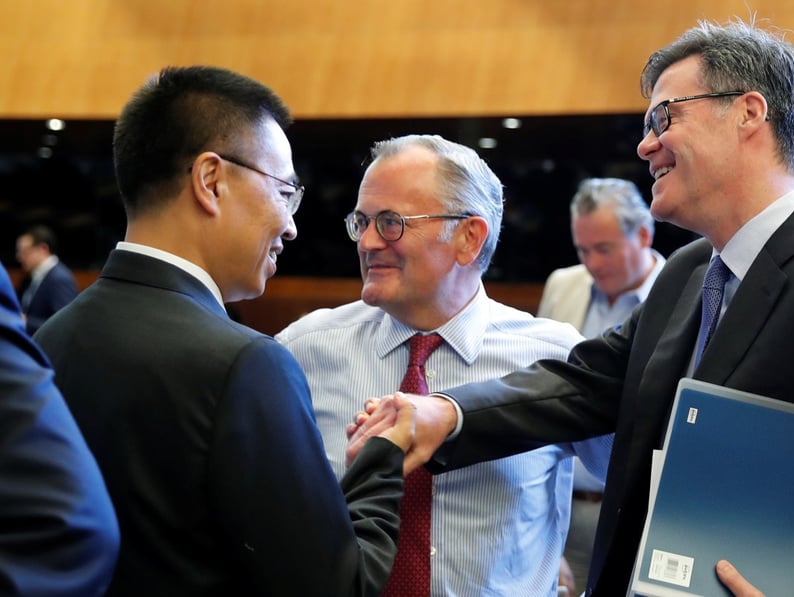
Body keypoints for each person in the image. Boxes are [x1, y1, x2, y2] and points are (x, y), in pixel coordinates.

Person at [350, 18, 794, 597]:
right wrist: (450, 414)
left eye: (664, 119)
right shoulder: (690, 271)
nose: (645, 146)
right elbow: (588, 385)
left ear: (748, 113)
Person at [33, 65, 415, 597]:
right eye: (284, 192)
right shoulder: (244, 363)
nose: (291, 224)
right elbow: (337, 586)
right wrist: (382, 457)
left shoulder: (47, 342)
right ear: (210, 180)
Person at [277, 134, 608, 597]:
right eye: (362, 221)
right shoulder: (302, 351)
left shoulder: (552, 358)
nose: (368, 242)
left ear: (469, 238)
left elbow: (635, 478)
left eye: (391, 223)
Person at [536, 177, 665, 590]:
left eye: (604, 248)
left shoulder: (683, 294)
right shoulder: (562, 285)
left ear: (643, 234)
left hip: (637, 513)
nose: (591, 263)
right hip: (560, 505)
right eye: (582, 250)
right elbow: (543, 393)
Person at [0, 264, 119, 595]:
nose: (19, 255)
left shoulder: (60, 284)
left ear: (41, 249)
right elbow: (77, 528)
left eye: (24, 248)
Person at [15, 225, 78, 334]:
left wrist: (25, 322)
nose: (19, 257)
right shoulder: (32, 276)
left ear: (43, 249)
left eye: (25, 251)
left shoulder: (60, 279)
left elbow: (64, 324)